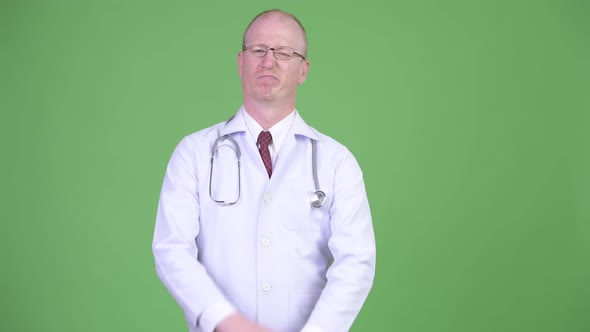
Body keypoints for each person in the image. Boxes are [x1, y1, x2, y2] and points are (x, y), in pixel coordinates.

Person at [152, 9, 376, 332]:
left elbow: (356, 262)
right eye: (258, 50)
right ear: (241, 63)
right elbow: (172, 249)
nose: (268, 61)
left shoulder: (336, 162)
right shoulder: (195, 153)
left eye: (284, 53)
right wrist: (227, 322)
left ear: (304, 70)